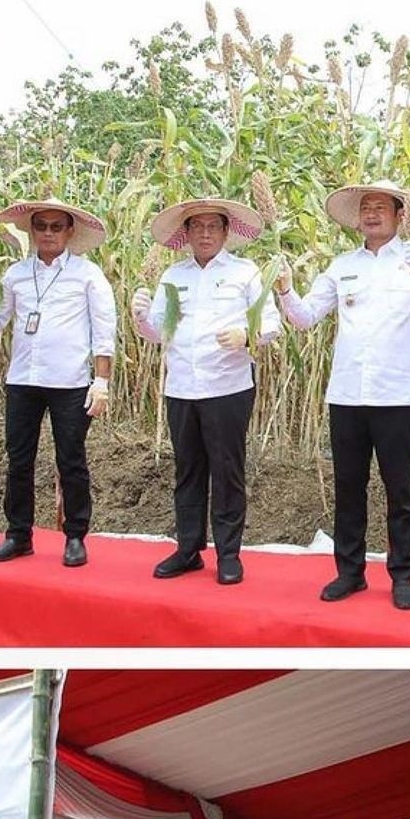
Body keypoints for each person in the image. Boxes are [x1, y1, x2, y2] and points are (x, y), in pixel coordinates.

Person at [275, 181, 410, 610]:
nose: (372, 213)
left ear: (400, 216)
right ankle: (350, 572)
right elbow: (305, 317)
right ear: (358, 219)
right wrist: (284, 289)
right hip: (348, 395)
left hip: (398, 396)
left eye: (381, 207)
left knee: (401, 489)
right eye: (366, 208)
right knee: (349, 487)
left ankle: (402, 574)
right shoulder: (342, 266)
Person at [132, 197, 279, 585]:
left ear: (226, 232)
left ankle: (228, 553)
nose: (205, 233)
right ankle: (188, 549)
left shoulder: (245, 273)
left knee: (227, 471)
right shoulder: (173, 276)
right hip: (182, 385)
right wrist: (141, 317)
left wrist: (247, 335)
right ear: (186, 233)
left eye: (213, 226)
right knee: (188, 470)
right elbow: (158, 332)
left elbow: (272, 324)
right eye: (197, 226)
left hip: (227, 387)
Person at [0, 197, 115, 568]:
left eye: (56, 226)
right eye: (41, 226)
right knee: (18, 459)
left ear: (69, 231)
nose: (48, 233)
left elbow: (104, 330)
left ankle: (75, 536)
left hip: (70, 382)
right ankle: (18, 534)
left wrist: (101, 381)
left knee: (71, 460)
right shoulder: (15, 274)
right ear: (31, 230)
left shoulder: (87, 275)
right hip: (23, 379)